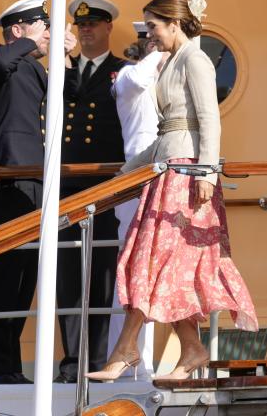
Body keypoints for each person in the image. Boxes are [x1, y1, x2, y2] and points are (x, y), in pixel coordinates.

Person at [87, 0, 258, 382]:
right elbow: (164, 136)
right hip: (169, 171)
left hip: (188, 176)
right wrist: (124, 174)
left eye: (154, 27)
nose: (151, 35)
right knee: (166, 265)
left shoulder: (195, 59)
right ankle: (192, 349)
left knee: (153, 259)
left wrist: (207, 174)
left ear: (174, 24)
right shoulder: (171, 63)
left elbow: (208, 121)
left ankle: (124, 350)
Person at [0, 0, 76, 384]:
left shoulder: (34, 70)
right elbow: (3, 61)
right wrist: (31, 43)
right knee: (8, 276)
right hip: (13, 177)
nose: (49, 34)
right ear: (18, 30)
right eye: (43, 26)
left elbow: (65, 98)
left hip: (41, 179)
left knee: (28, 280)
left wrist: (65, 58)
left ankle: (9, 367)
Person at [56, 0, 126, 382]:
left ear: (107, 27)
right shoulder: (63, 71)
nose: (85, 30)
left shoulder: (122, 71)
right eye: (80, 25)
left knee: (100, 275)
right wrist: (64, 64)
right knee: (68, 276)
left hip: (107, 186)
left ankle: (96, 359)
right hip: (67, 186)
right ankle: (71, 362)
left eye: (93, 24)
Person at [106, 23, 169, 380]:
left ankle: (162, 357)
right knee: (133, 275)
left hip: (169, 184)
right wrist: (167, 43)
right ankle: (131, 364)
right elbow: (142, 78)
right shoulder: (128, 78)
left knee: (167, 272)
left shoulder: (173, 83)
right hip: (138, 186)